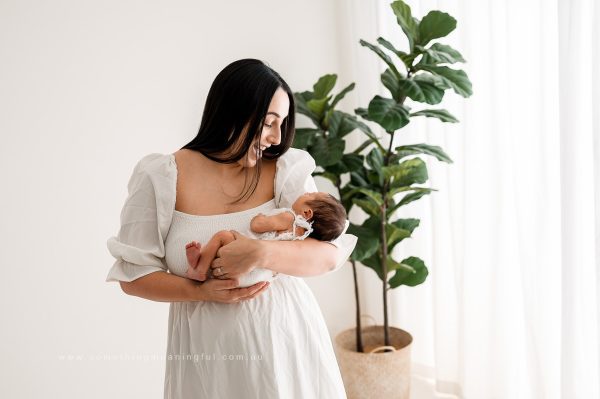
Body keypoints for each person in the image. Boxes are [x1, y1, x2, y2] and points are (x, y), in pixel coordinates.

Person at [105, 58, 357, 398]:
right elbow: (133, 277)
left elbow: (328, 255)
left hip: (285, 341)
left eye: (281, 124)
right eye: (269, 123)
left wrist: (258, 252)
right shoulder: (161, 177)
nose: (276, 137)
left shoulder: (285, 170)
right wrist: (200, 292)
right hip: (208, 353)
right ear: (232, 112)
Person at [184, 190, 348, 286]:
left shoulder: (290, 218)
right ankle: (230, 279)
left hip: (249, 254)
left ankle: (199, 268)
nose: (306, 192)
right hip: (264, 275)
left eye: (310, 194)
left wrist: (260, 217)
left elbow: (257, 226)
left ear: (307, 213)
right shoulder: (302, 236)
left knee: (222, 236)